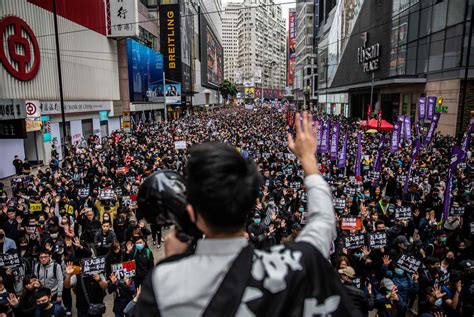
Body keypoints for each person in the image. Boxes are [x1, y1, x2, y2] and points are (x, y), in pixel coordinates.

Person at [137, 112, 357, 316]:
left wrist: (174, 262)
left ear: (192, 212)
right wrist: (308, 158)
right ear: (250, 202)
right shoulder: (298, 262)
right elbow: (324, 222)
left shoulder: (163, 284)